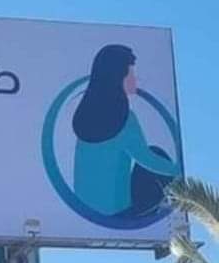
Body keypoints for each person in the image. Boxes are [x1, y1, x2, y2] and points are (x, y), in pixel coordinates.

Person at [72, 44, 180, 217]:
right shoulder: (124, 118)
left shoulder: (86, 116)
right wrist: (179, 171)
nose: (136, 79)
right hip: (119, 212)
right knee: (157, 154)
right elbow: (147, 159)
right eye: (131, 74)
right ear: (118, 76)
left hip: (85, 209)